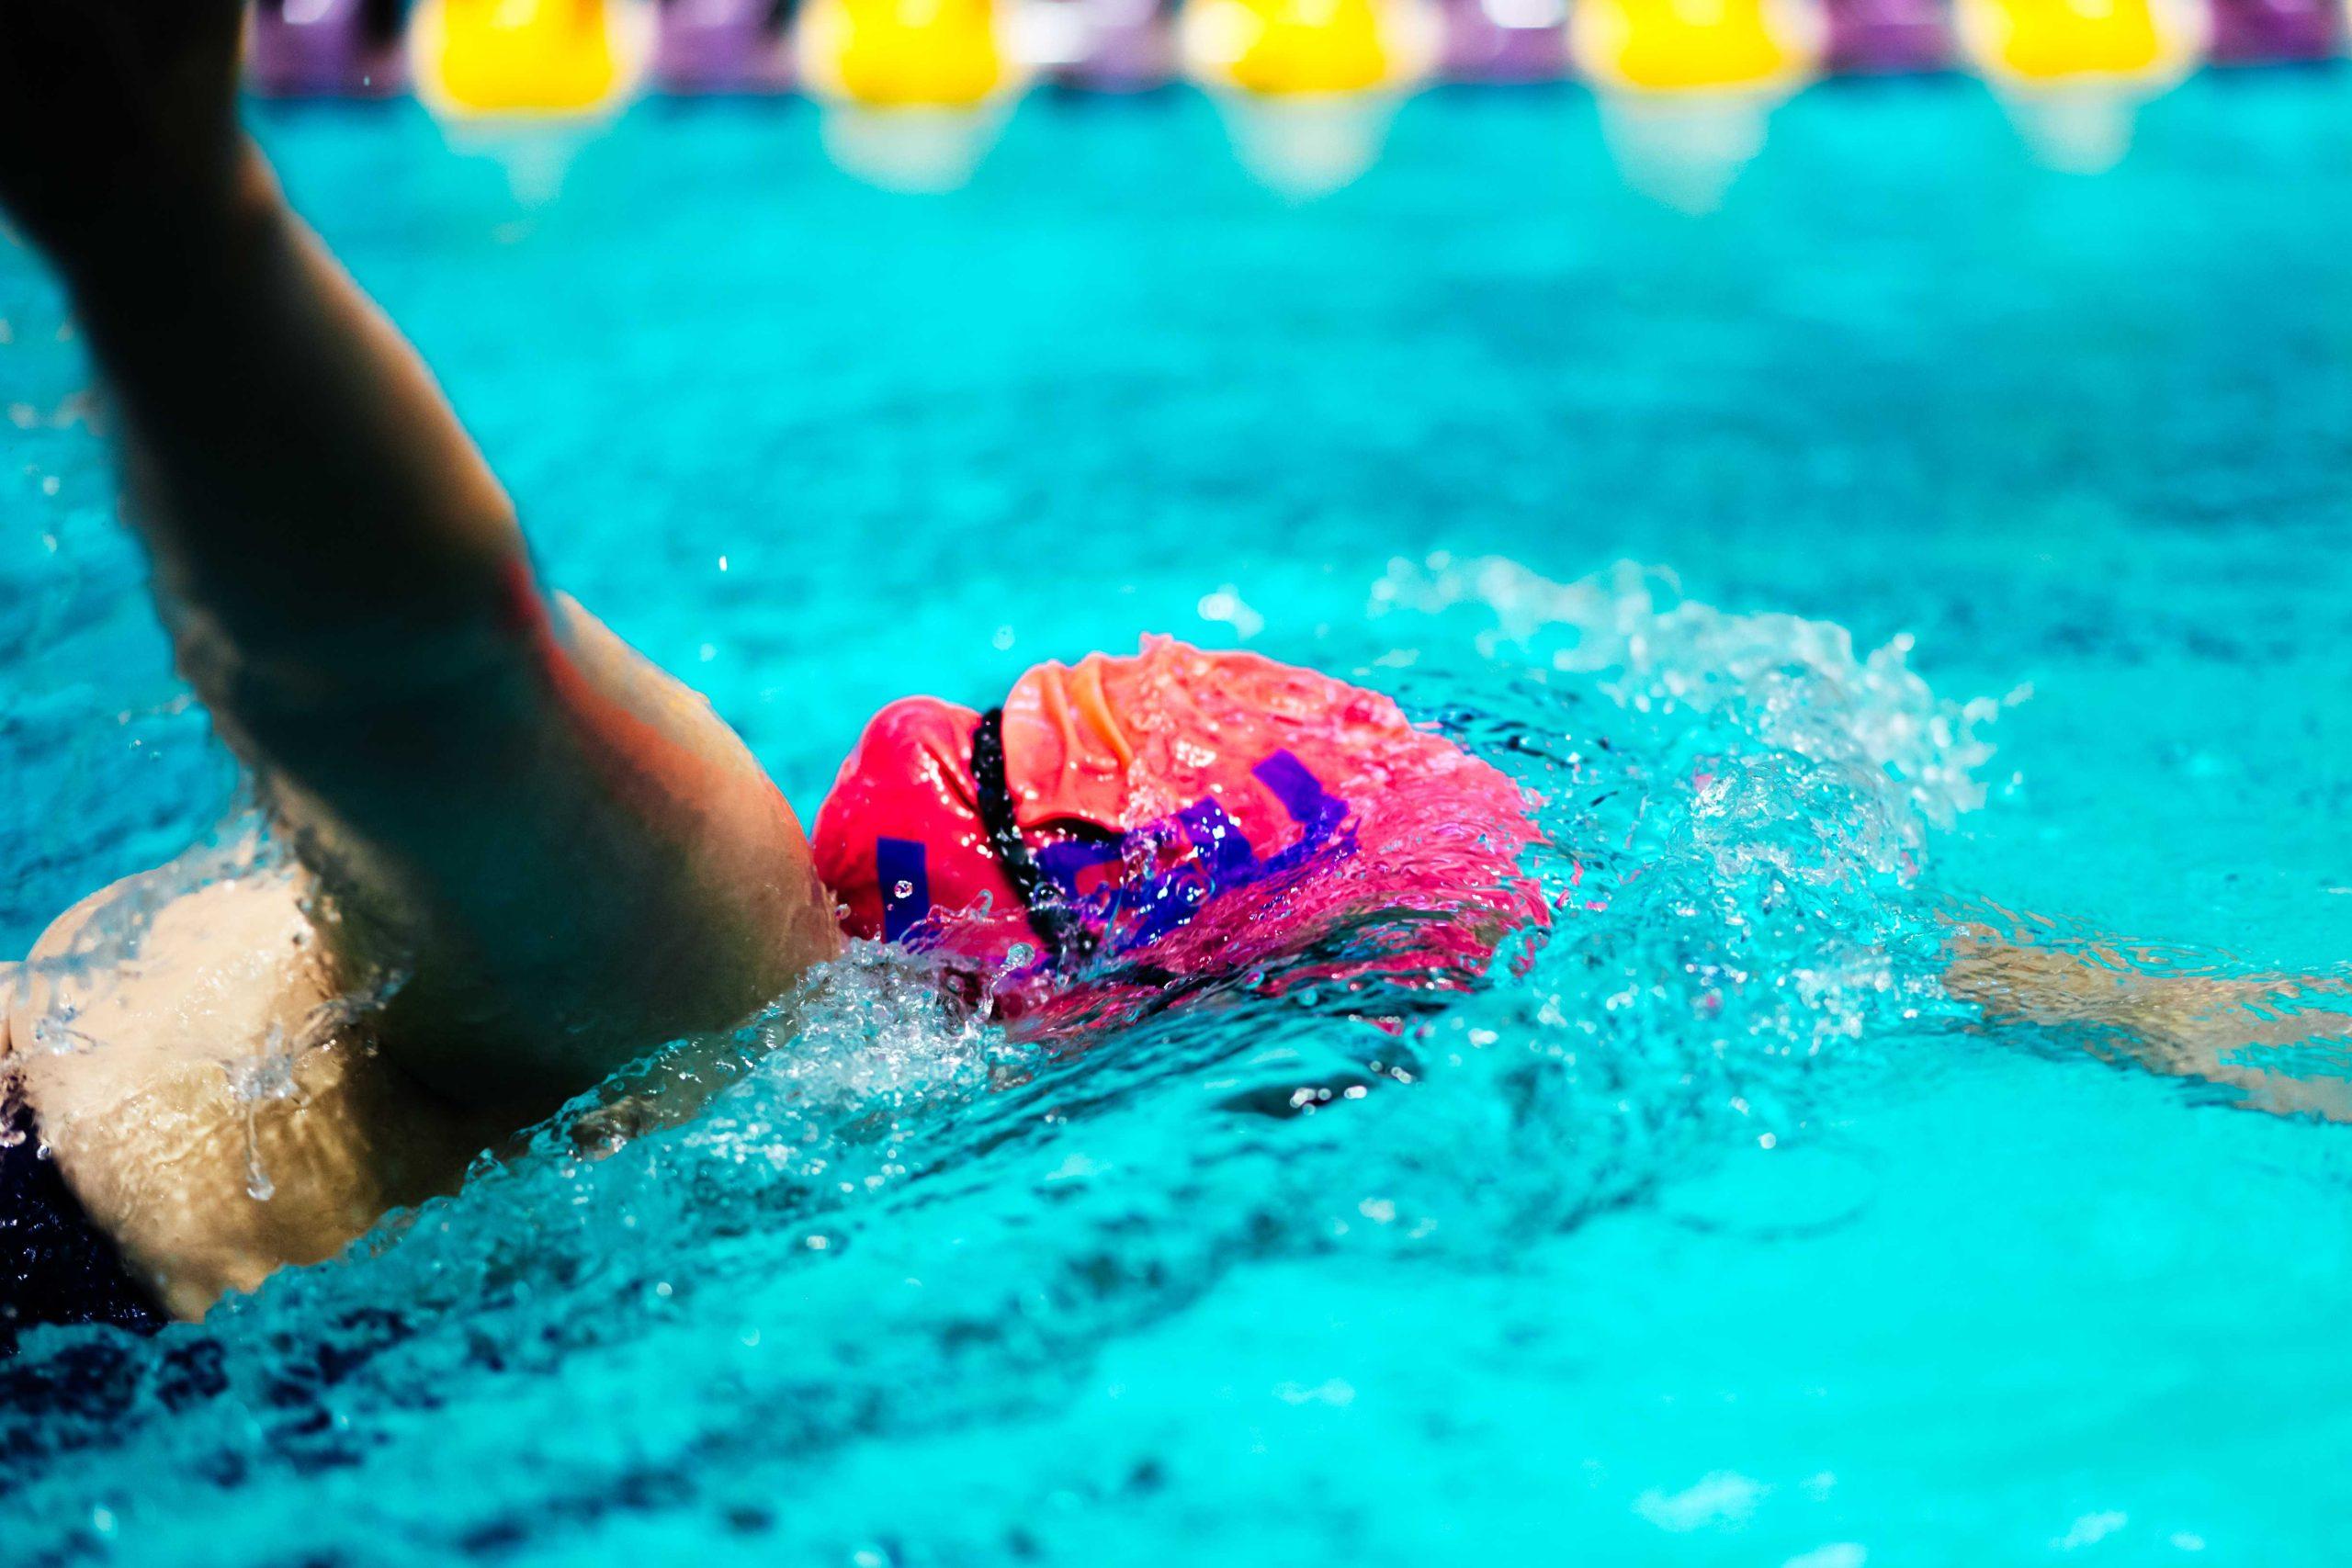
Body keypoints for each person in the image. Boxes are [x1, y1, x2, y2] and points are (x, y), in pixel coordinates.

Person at [0, 0, 2336, 1344]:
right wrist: (2090, 998)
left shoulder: (714, 955)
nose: (1129, 692)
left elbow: (405, 659)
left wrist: (170, 218)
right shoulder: (797, 1023)